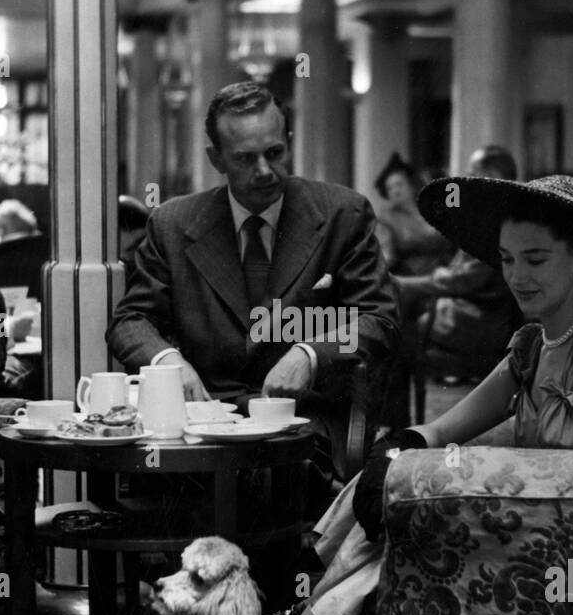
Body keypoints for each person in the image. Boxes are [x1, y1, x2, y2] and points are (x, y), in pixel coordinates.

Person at [276, 173, 573, 615]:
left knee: (408, 536)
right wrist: (400, 446)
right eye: (508, 259)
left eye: (535, 259)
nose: (517, 276)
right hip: (525, 531)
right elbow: (444, 428)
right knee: (398, 496)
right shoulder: (535, 344)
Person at [106, 81, 400, 482]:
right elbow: (130, 321)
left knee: (266, 481)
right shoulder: (174, 224)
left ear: (289, 142)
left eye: (275, 153)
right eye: (245, 158)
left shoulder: (342, 215)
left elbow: (379, 319)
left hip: (303, 420)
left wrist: (309, 355)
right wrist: (168, 363)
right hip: (204, 421)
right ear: (217, 158)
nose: (265, 171)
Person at [378, 145, 522, 428]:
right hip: (478, 309)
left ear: (490, 176)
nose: (465, 180)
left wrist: (406, 284)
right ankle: (397, 426)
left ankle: (396, 429)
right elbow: (460, 272)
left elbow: (465, 279)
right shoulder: (494, 211)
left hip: (483, 319)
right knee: (395, 319)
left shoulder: (496, 217)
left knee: (394, 337)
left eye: (472, 174)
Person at [372, 154, 453, 277]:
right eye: (390, 188)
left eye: (399, 185)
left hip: (449, 274)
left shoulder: (433, 209)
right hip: (414, 281)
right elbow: (386, 256)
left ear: (411, 185)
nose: (395, 191)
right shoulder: (385, 220)